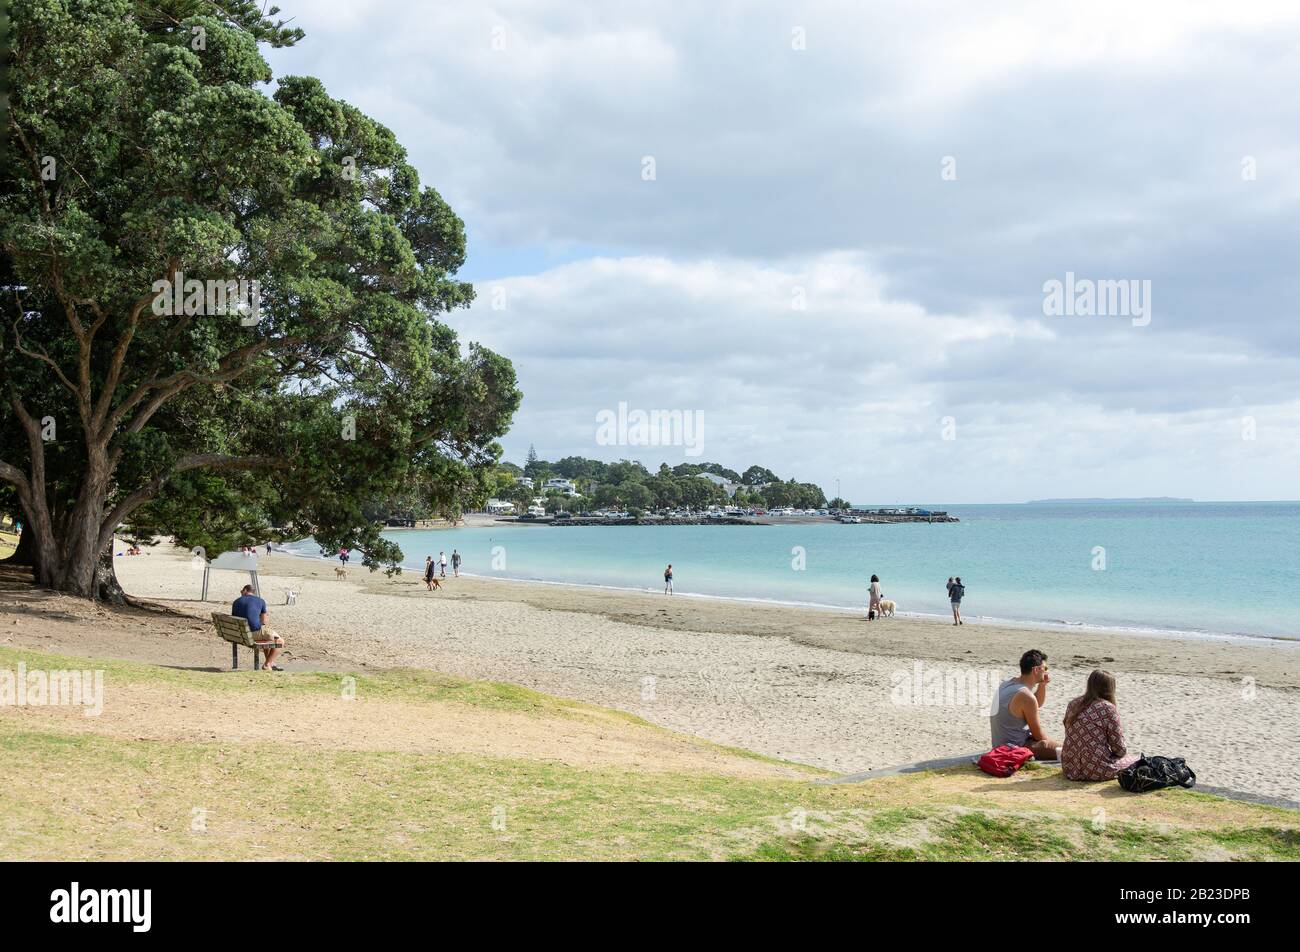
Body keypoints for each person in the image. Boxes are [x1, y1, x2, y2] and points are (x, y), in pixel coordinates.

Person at [1060, 670, 1140, 781]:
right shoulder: (1108, 708)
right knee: (1136, 760)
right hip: (1095, 769)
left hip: (1070, 767)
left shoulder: (1073, 704)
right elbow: (1119, 749)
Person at [989, 649, 1060, 760]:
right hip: (1013, 749)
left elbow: (1036, 704)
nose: (1046, 672)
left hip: (1000, 744)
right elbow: (1039, 736)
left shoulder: (1007, 684)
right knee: (1064, 749)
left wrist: (1042, 685)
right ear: (1036, 670)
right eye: (1045, 668)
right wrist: (1049, 743)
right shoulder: (1025, 696)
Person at [231, 584, 284, 671]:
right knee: (280, 641)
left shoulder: (236, 601)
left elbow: (234, 617)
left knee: (267, 637)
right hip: (251, 634)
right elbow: (264, 622)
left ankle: (270, 662)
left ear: (245, 590)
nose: (241, 593)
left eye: (241, 591)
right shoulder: (260, 601)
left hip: (239, 634)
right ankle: (267, 664)